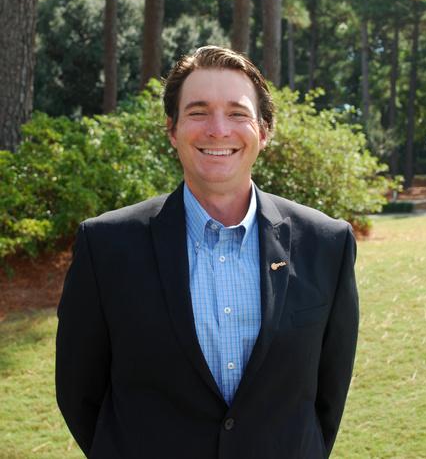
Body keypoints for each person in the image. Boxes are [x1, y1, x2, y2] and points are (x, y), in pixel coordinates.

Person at [56, 46, 359, 459]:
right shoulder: (105, 246)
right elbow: (79, 392)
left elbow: (328, 394)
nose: (218, 130)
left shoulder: (327, 244)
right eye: (198, 112)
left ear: (264, 131)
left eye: (237, 113)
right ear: (172, 130)